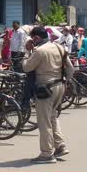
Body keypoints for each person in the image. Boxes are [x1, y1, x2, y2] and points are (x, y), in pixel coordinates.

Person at [23, 26, 68, 164]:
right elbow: (70, 68)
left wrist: (27, 52)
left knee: (44, 122)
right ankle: (59, 145)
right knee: (53, 116)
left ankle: (47, 153)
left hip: (45, 89)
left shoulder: (39, 51)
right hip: (60, 85)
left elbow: (26, 67)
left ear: (36, 38)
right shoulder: (59, 47)